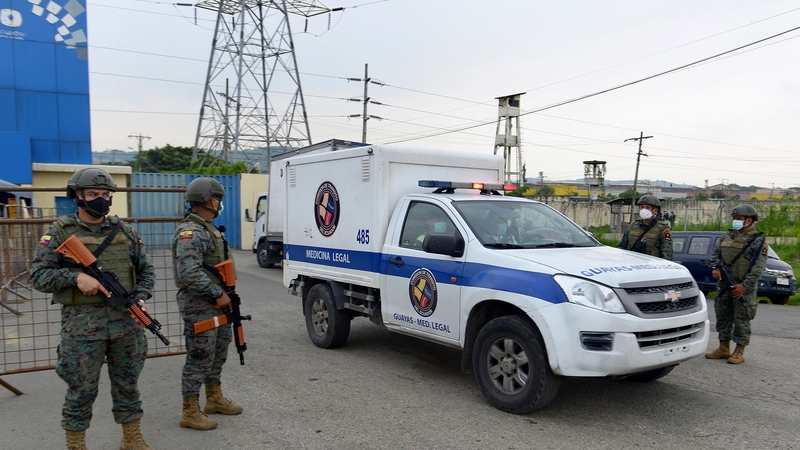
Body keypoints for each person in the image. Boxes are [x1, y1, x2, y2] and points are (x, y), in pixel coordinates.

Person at [31, 168, 155, 450]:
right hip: (82, 328)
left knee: (127, 385)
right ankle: (76, 444)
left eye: (105, 194)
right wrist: (74, 277)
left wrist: (141, 296)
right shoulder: (59, 233)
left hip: (126, 324)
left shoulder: (124, 231)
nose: (100, 199)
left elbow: (146, 270)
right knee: (81, 390)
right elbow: (38, 276)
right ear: (78, 196)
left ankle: (131, 438)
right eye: (93, 194)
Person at [172, 177, 242, 431]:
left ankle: (213, 399)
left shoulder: (208, 227)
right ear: (207, 200)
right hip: (199, 303)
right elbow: (189, 273)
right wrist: (216, 293)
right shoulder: (191, 231)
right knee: (200, 356)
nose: (220, 203)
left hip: (218, 301)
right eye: (218, 199)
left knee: (218, 350)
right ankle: (190, 411)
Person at [705, 204, 767, 365]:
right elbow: (716, 254)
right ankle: (723, 348)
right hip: (724, 284)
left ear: (750, 220)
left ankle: (739, 351)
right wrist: (716, 267)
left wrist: (744, 286)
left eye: (739, 219)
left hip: (743, 287)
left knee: (742, 319)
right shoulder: (727, 236)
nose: (736, 221)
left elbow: (758, 267)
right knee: (723, 315)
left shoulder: (757, 240)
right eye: (735, 218)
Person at [618, 195, 673, 260]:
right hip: (632, 265)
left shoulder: (663, 229)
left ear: (655, 210)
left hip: (651, 267)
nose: (644, 210)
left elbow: (667, 256)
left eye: (647, 207)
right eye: (642, 207)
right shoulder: (632, 226)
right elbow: (622, 247)